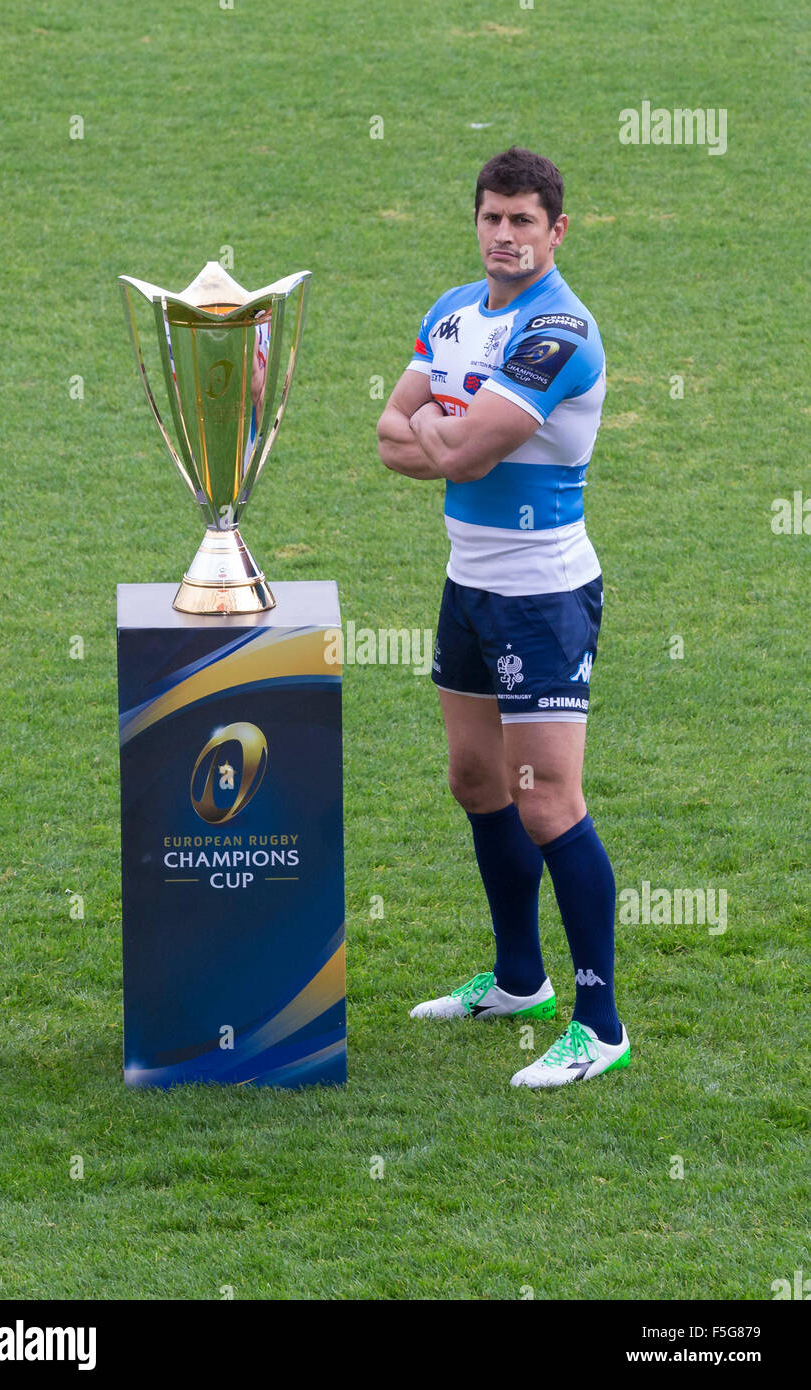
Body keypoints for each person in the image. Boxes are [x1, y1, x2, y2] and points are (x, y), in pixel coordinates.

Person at [376, 147, 630, 1088]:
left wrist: (444, 432)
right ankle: (520, 980)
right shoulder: (450, 313)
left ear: (556, 231)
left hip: (543, 598)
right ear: (476, 220)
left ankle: (598, 1023)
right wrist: (450, 434)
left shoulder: (558, 331)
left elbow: (465, 453)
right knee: (475, 778)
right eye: (493, 217)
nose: (506, 235)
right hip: (468, 586)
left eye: (525, 221)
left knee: (546, 801)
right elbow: (387, 437)